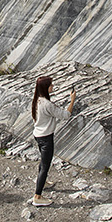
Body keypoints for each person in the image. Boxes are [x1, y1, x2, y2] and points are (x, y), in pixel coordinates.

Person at [30, 76, 75, 207]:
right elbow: (65, 115)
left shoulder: (36, 100)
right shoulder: (47, 104)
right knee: (45, 165)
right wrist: (72, 101)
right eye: (51, 85)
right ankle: (37, 196)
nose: (52, 87)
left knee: (43, 162)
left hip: (38, 135)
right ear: (45, 88)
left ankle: (42, 181)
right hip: (46, 137)